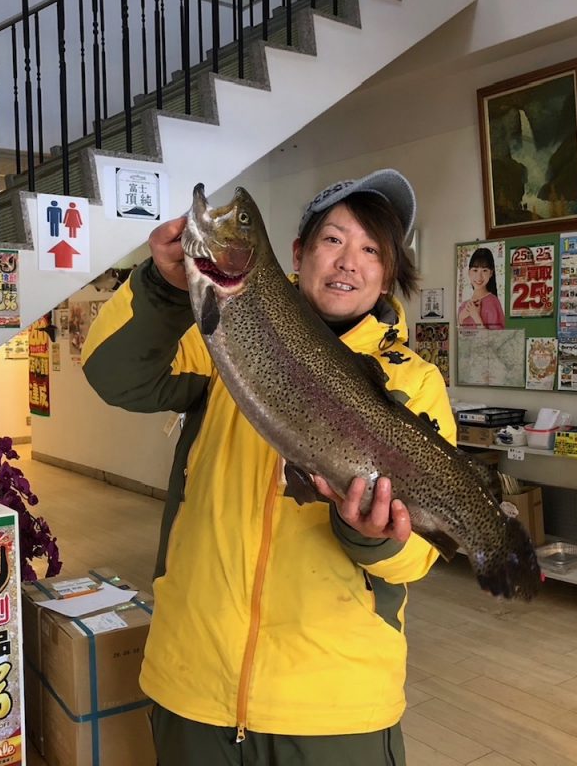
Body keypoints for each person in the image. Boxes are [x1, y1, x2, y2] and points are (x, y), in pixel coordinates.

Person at [82, 169, 455, 766]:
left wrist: (369, 535)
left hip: (337, 706)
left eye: (371, 250)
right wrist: (160, 288)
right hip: (195, 680)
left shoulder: (414, 382)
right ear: (298, 253)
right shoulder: (222, 334)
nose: (348, 262)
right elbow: (114, 375)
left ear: (387, 274)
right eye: (333, 240)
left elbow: (417, 556)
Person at [457, 246, 505, 330]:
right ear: (469, 272)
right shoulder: (464, 306)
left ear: (491, 273)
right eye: (475, 270)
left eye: (484, 270)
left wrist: (476, 316)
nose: (479, 277)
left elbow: (498, 337)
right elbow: (461, 336)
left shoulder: (493, 302)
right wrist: (461, 318)